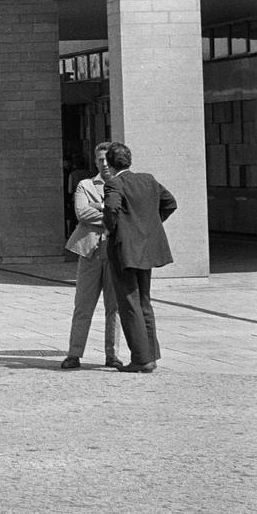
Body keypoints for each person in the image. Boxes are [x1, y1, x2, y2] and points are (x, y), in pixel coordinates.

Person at [102, 142, 177, 373]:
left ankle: (141, 359)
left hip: (124, 250)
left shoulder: (114, 183)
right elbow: (170, 202)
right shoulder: (148, 180)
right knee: (144, 301)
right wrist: (148, 227)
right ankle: (151, 355)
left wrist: (111, 229)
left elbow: (112, 208)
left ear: (111, 164)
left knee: (129, 302)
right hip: (146, 248)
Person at [60, 142, 123, 370]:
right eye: (99, 160)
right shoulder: (85, 185)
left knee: (113, 306)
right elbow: (82, 212)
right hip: (90, 252)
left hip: (116, 252)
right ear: (94, 161)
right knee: (83, 305)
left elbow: (126, 213)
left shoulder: (123, 184)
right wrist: (111, 214)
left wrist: (100, 207)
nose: (103, 164)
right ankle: (74, 353)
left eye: (107, 159)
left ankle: (112, 355)